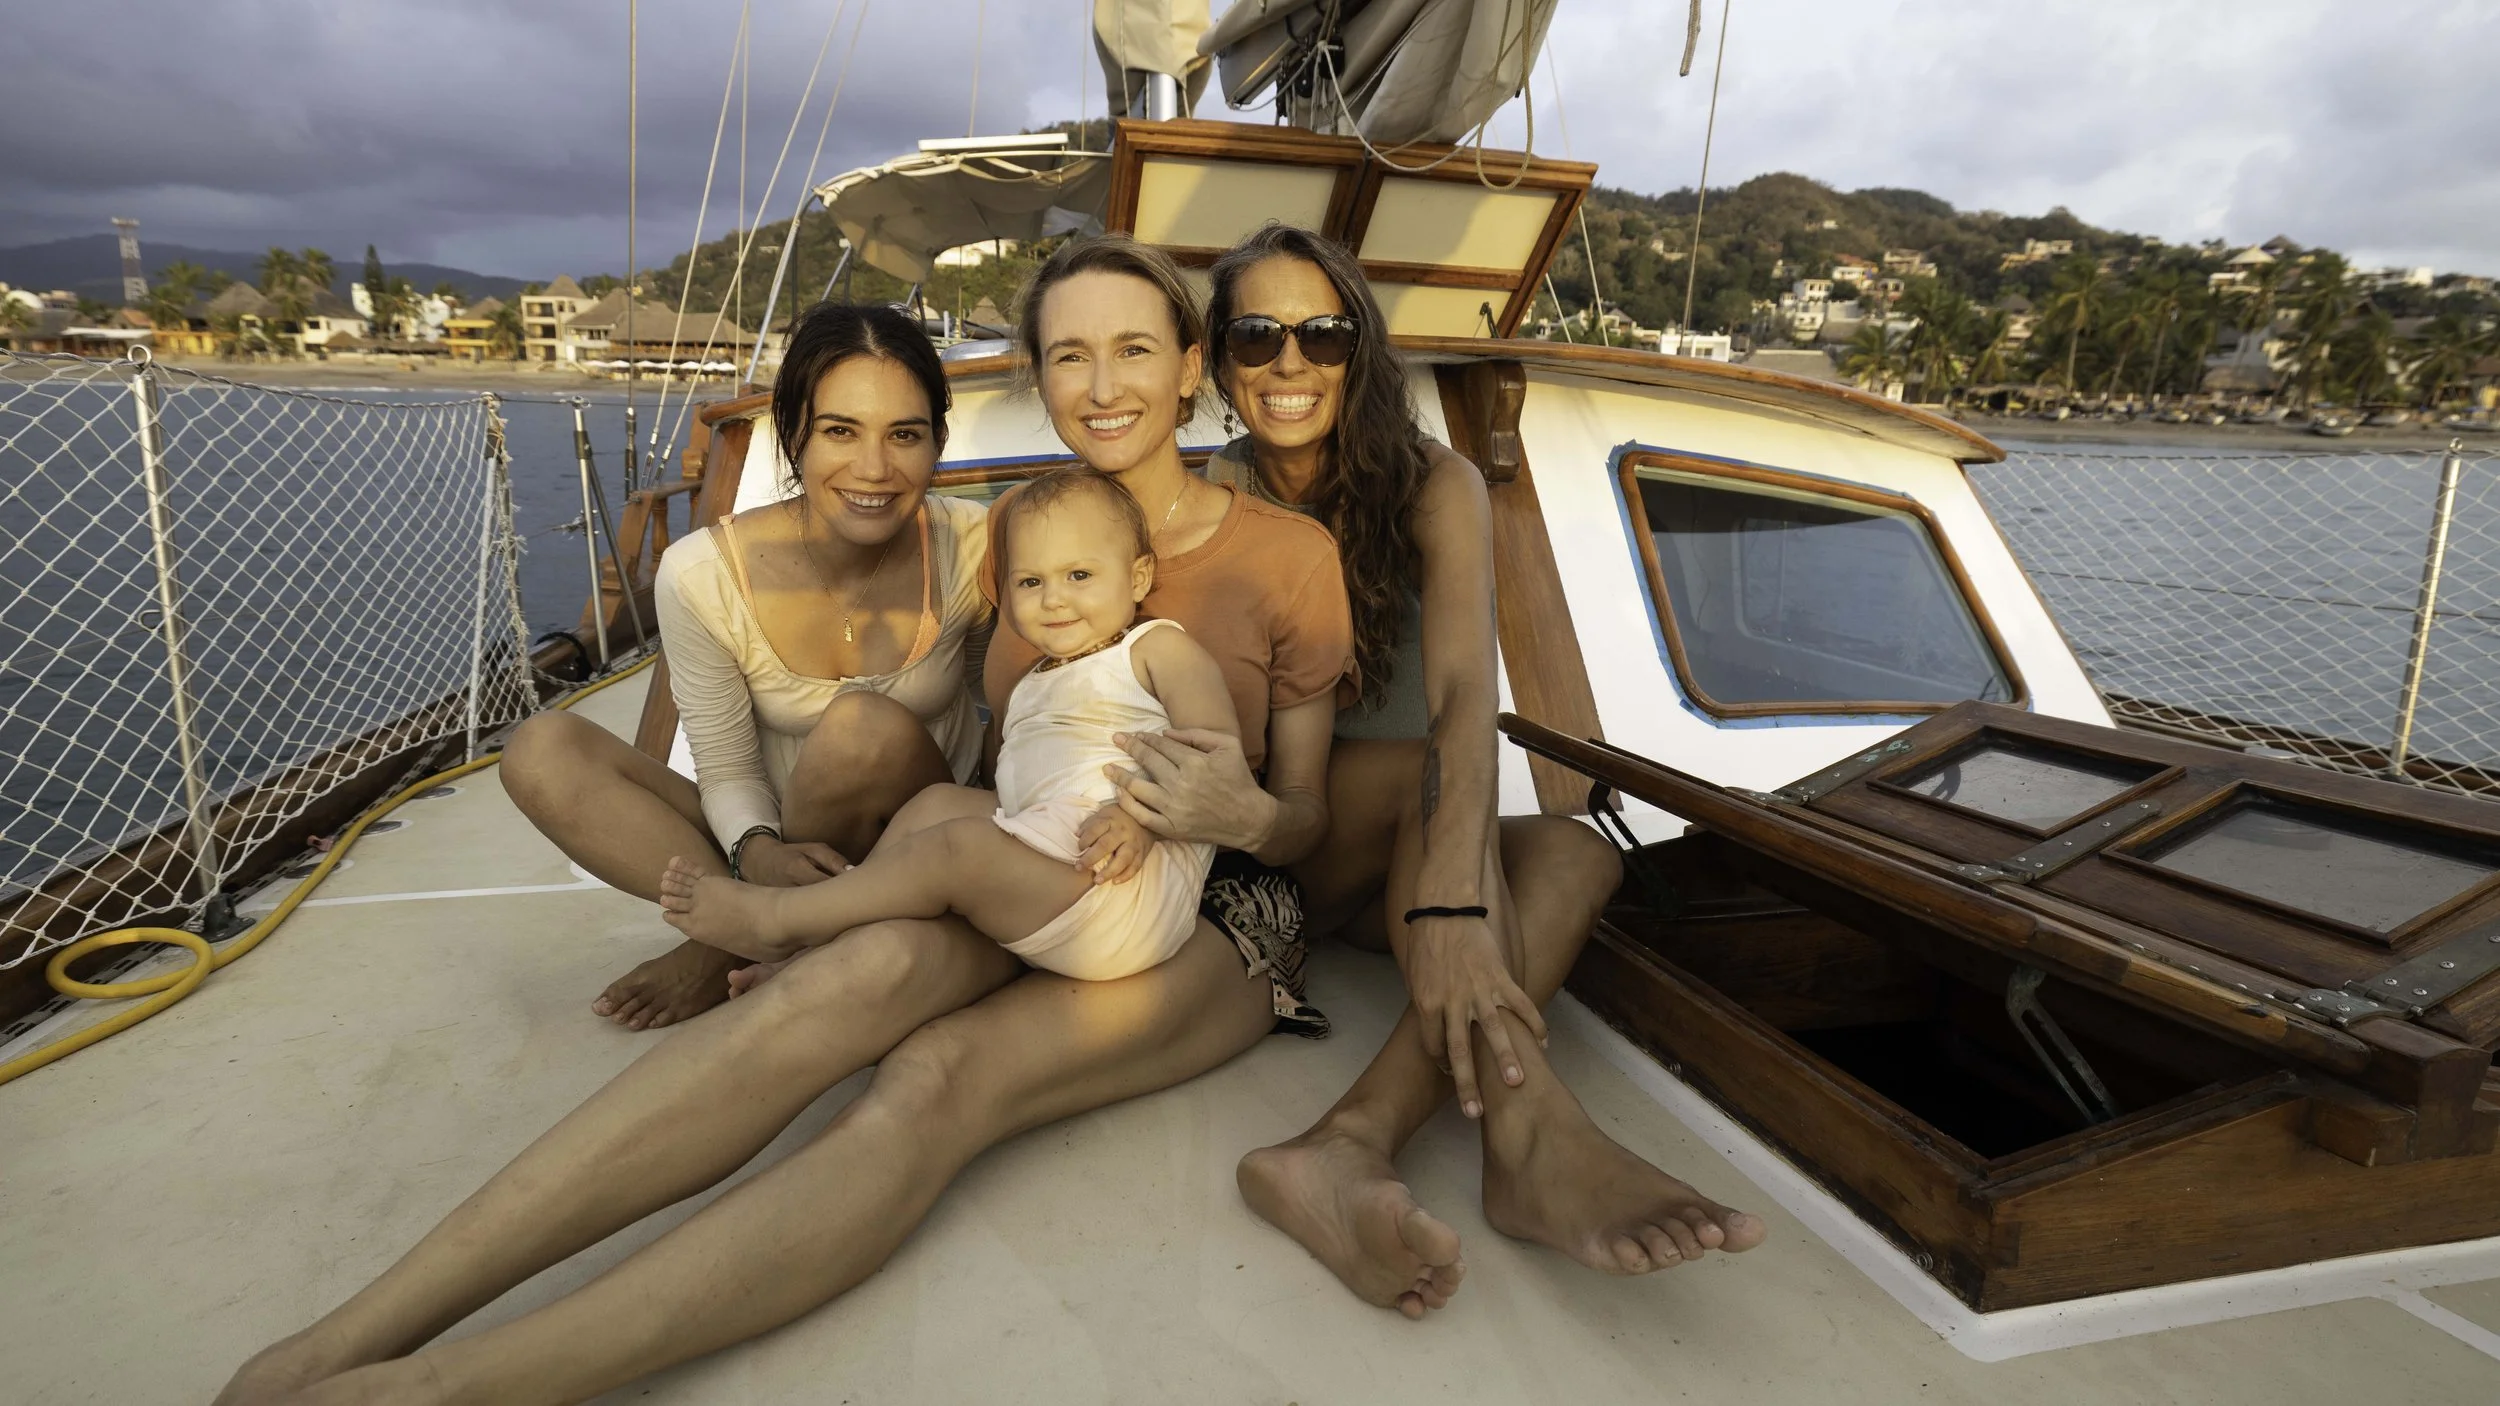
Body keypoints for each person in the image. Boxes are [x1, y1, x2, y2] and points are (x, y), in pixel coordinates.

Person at [215, 235, 1359, 1405]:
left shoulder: (1284, 552)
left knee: (930, 1076)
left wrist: (1248, 812)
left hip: (1209, 901)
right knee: (835, 987)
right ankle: (354, 1332)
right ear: (1036, 374)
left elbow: (1310, 818)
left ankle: (454, 1384)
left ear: (1187, 366)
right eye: (1069, 354)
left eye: (1133, 350)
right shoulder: (1011, 539)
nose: (1103, 384)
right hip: (1023, 862)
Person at [1195, 223, 1768, 1318]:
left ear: (1359, 348)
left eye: (1321, 334)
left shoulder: (1432, 482)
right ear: (1221, 360)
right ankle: (1535, 1128)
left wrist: (1457, 896)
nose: (1288, 363)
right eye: (1256, 335)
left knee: (1570, 852)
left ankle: (1348, 1135)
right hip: (1297, 848)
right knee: (1429, 773)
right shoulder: (1220, 495)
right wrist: (1455, 890)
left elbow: (1470, 692)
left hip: (1403, 867)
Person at [500, 301, 992, 1031]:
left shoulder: (974, 547)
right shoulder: (701, 573)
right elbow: (726, 768)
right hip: (772, 836)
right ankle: (756, 923)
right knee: (539, 750)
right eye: (839, 431)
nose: (874, 469)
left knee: (860, 727)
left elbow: (1003, 716)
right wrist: (754, 850)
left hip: (915, 839)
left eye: (905, 436)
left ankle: (743, 939)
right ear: (793, 434)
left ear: (937, 443)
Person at [656, 467, 1233, 983]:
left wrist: (1143, 823)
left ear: (1137, 577)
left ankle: (778, 919)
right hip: (1047, 865)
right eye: (1031, 582)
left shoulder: (1155, 649)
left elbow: (1218, 760)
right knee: (935, 806)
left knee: (957, 847)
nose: (1054, 599)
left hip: (1122, 889)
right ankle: (810, 957)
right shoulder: (1033, 681)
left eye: (1080, 575)